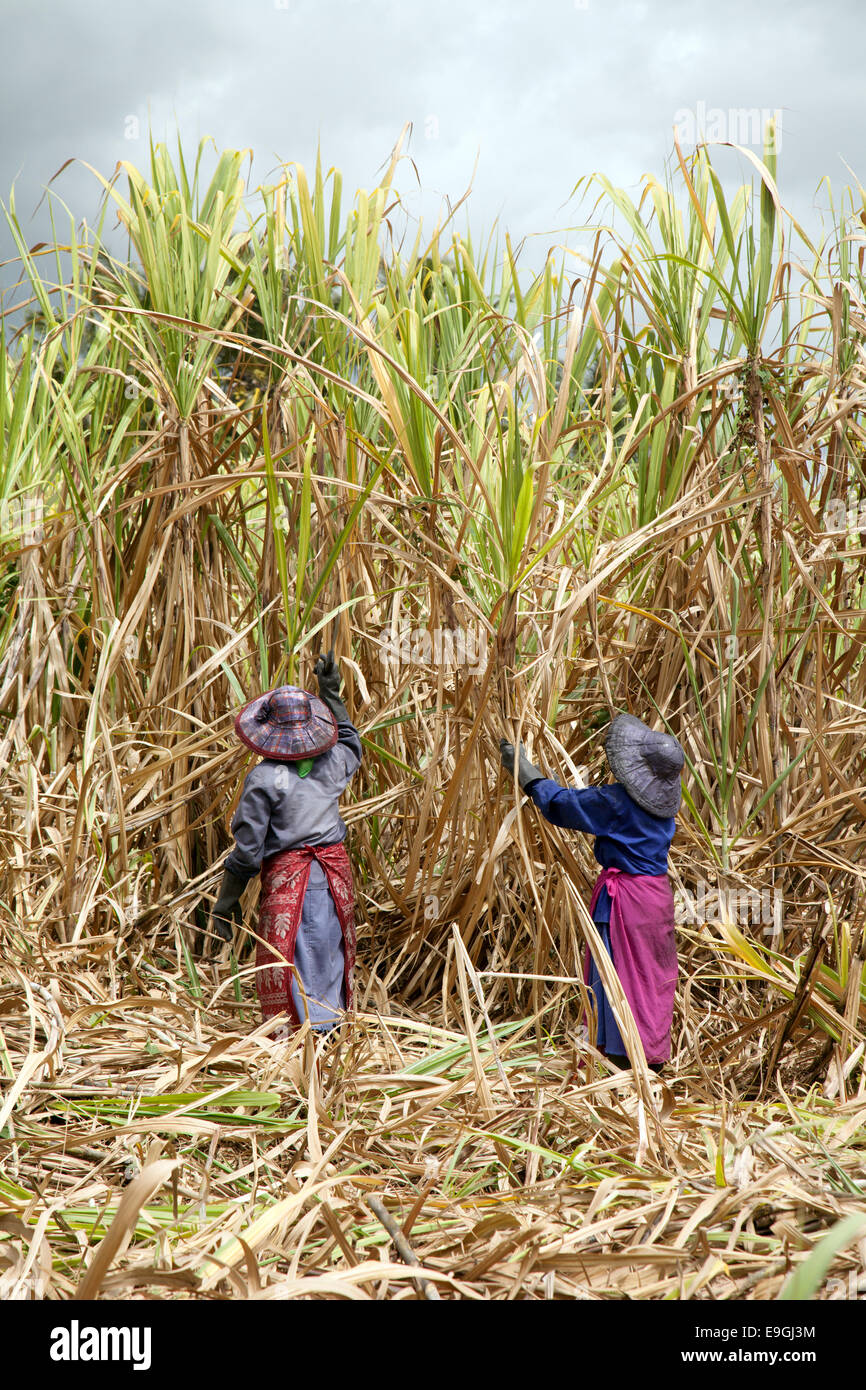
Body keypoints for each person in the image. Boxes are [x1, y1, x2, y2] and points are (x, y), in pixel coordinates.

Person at [500, 713, 684, 1070]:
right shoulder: (663, 810)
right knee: (650, 977)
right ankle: (650, 1056)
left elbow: (562, 806)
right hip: (656, 899)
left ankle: (620, 1057)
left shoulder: (616, 802)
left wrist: (525, 771)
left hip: (626, 902)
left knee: (616, 973)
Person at [208, 650, 362, 1037]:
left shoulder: (264, 780)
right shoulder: (334, 764)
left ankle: (309, 1038)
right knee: (328, 950)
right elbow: (351, 740)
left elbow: (247, 853)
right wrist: (332, 693)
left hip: (292, 878)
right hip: (334, 875)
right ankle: (329, 1033)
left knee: (298, 953)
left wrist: (226, 902)